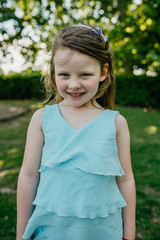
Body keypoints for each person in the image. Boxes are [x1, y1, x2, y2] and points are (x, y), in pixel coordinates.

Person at [16, 24, 137, 240]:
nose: (73, 85)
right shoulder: (41, 119)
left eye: (84, 74)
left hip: (104, 232)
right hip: (51, 232)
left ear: (103, 72)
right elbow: (28, 176)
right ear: (53, 73)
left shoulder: (116, 123)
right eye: (64, 74)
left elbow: (126, 180)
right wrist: (21, 234)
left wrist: (129, 234)